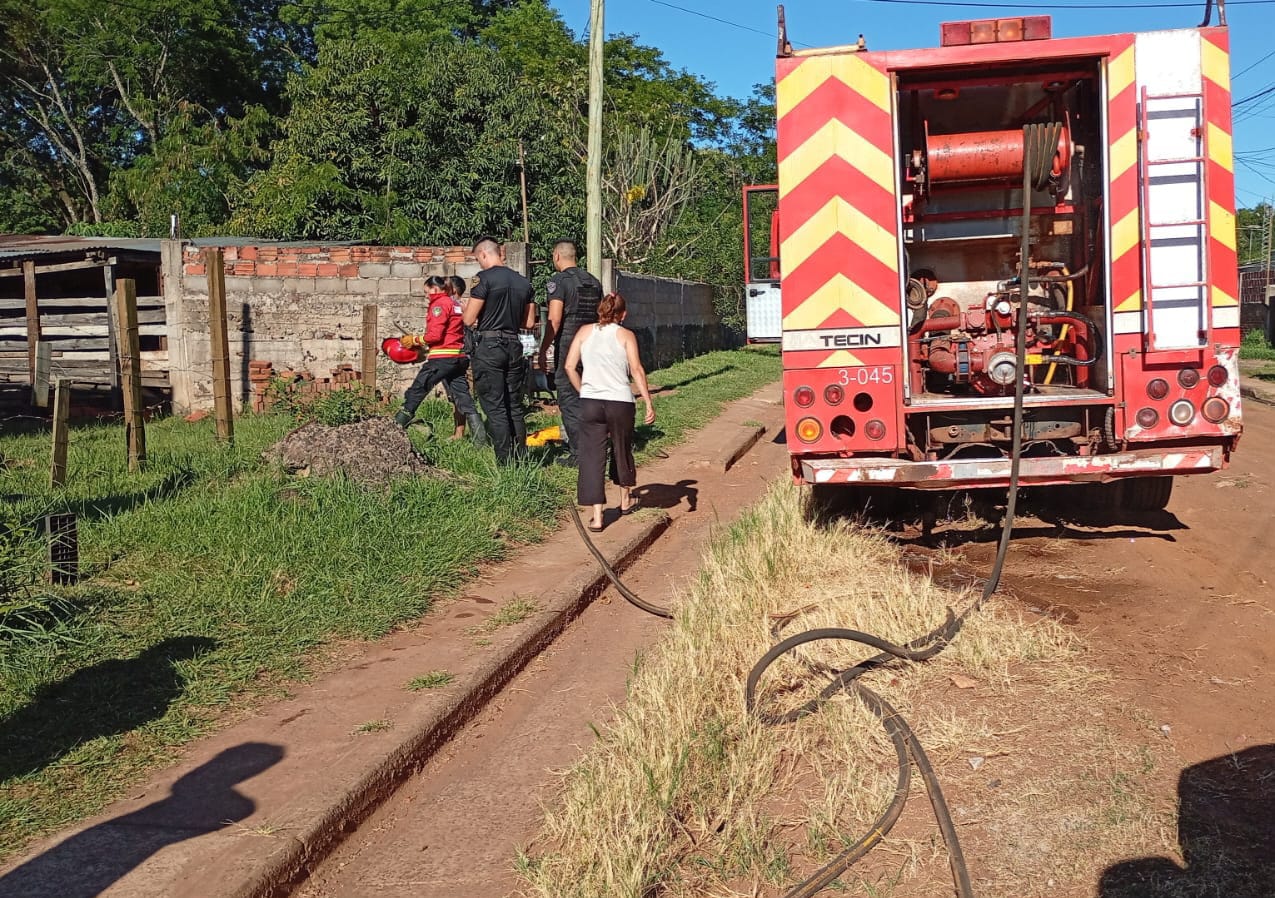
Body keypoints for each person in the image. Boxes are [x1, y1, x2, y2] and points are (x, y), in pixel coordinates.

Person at [564, 293, 655, 532]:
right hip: (620, 402)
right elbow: (636, 369)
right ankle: (625, 499)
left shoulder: (584, 332)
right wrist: (647, 401)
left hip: (591, 402)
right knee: (621, 449)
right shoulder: (626, 335)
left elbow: (569, 366)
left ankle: (597, 516)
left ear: (600, 311)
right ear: (623, 314)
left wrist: (583, 389)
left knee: (592, 457)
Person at [463, 237, 536, 465]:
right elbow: (530, 322)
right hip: (515, 345)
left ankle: (504, 463)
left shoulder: (483, 280)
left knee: (495, 406)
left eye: (478, 259)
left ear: (484, 254)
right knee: (513, 404)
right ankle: (521, 458)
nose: (479, 263)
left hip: (489, 346)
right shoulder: (524, 283)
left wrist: (468, 309)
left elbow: (469, 318)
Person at [537, 239, 603, 466]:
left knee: (569, 399)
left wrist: (543, 348)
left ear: (556, 256)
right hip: (592, 343)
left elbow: (554, 319)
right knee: (590, 396)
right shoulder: (594, 282)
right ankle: (598, 445)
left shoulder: (559, 281)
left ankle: (579, 454)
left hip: (569, 344)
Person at [394, 276, 485, 441]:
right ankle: (481, 441)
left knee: (418, 389)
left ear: (435, 289)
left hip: (443, 358)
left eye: (426, 291)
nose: (426, 295)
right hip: (459, 356)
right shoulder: (456, 305)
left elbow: (435, 335)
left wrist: (415, 340)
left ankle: (394, 430)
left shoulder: (440, 304)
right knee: (463, 397)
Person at [444, 275, 482, 442]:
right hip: (451, 355)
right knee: (456, 397)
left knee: (463, 395)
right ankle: (459, 433)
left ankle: (477, 435)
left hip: (462, 355)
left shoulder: (461, 306)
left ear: (453, 289)